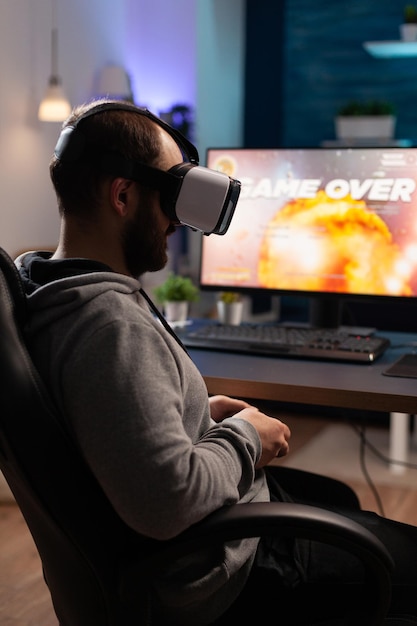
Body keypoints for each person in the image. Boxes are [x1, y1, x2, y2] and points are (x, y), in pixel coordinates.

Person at [17, 98, 417, 625]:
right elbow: (168, 502)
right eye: (171, 196)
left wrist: (195, 414)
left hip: (214, 539)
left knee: (335, 495)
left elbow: (110, 422)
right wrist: (247, 435)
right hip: (225, 574)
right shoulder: (110, 327)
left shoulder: (48, 291)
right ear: (122, 195)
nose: (178, 223)